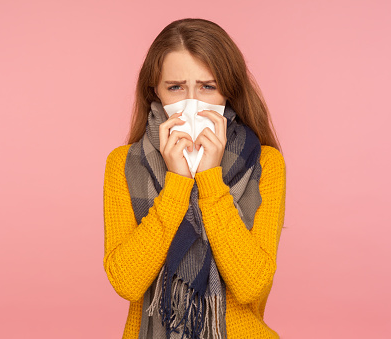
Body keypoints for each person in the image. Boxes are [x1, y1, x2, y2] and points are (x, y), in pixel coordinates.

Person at [103, 18, 286, 339]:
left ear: (228, 90)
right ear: (155, 92)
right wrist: (178, 182)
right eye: (175, 87)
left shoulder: (265, 163)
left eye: (208, 86)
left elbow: (252, 284)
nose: (192, 102)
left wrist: (210, 179)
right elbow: (127, 282)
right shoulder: (123, 164)